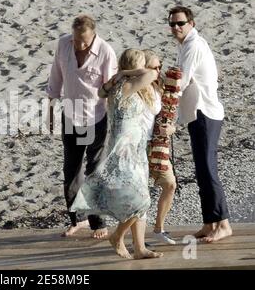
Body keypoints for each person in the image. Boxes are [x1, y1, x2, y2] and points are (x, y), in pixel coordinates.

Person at [71, 49, 163, 259]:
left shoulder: (117, 84)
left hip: (136, 149)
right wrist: (126, 73)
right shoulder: (125, 85)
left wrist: (122, 73)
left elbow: (102, 92)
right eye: (141, 65)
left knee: (139, 199)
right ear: (135, 67)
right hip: (125, 151)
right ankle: (117, 236)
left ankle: (140, 248)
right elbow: (152, 75)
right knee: (142, 200)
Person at [46, 14, 118, 239]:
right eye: (76, 40)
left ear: (93, 34)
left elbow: (112, 88)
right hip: (70, 117)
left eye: (84, 41)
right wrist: (50, 109)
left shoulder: (105, 52)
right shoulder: (63, 44)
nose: (79, 45)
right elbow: (55, 76)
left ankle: (98, 222)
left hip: (95, 119)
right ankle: (77, 218)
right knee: (71, 171)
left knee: (94, 169)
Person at [168, 6, 232, 242]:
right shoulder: (186, 45)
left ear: (191, 24)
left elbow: (180, 82)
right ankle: (209, 223)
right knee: (202, 170)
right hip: (198, 114)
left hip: (205, 112)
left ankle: (223, 224)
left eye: (180, 23)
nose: (176, 28)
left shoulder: (193, 45)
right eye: (172, 24)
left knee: (207, 169)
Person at [143, 50, 177, 245]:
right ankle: (137, 239)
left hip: (158, 144)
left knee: (170, 184)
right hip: (139, 145)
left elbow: (171, 115)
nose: (158, 71)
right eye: (153, 68)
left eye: (159, 67)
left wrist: (172, 128)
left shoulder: (161, 87)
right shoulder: (136, 88)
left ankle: (159, 228)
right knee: (141, 193)